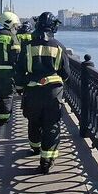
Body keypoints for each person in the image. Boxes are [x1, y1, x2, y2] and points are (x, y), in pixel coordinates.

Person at [15, 12, 70, 174]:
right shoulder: (59, 46)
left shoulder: (28, 46)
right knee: (51, 124)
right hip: (53, 92)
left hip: (32, 91)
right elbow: (65, 72)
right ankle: (47, 160)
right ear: (53, 27)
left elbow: (19, 70)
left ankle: (34, 147)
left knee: (33, 120)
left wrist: (19, 87)